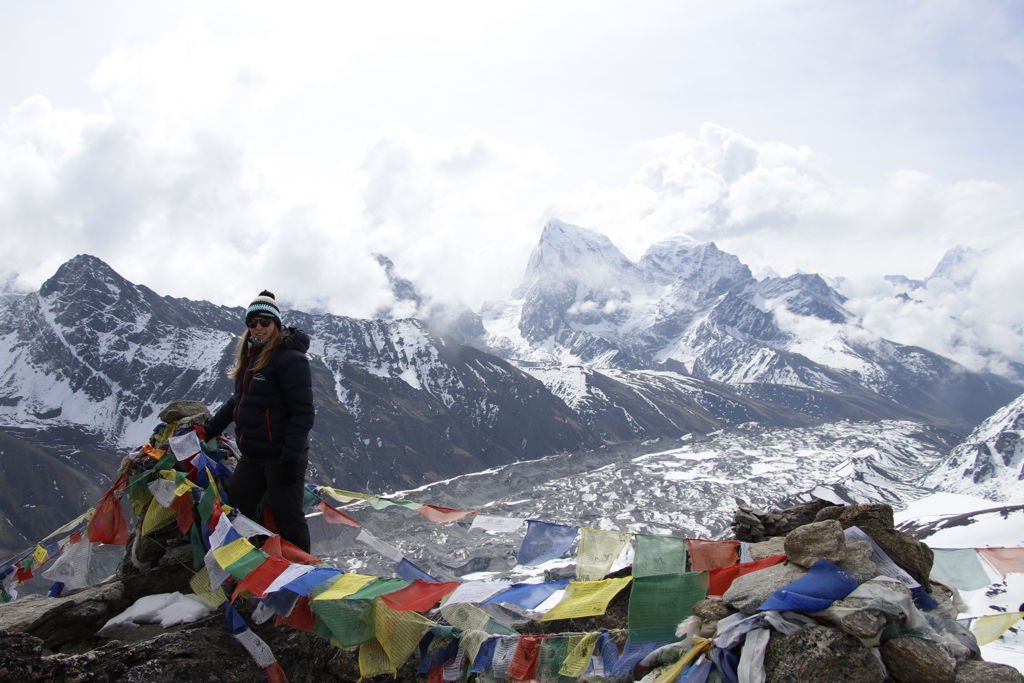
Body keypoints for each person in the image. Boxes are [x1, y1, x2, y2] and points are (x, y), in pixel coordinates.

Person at [201, 290, 315, 552]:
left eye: (265, 321)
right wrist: (208, 430)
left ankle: (302, 580)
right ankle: (259, 564)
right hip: (253, 454)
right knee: (239, 506)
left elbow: (303, 413)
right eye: (252, 323)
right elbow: (238, 402)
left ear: (276, 324)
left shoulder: (290, 359)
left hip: (282, 455)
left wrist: (289, 459)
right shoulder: (252, 356)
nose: (258, 328)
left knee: (289, 520)